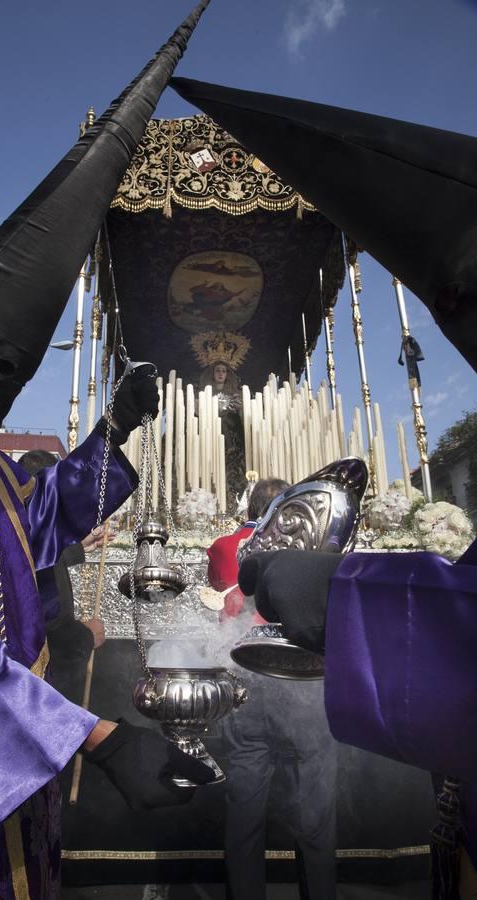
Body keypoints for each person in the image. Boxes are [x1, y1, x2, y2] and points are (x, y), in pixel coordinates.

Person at [0, 9, 215, 895]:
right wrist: (95, 739)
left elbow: (32, 527)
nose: (6, 390)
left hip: (14, 793)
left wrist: (115, 432)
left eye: (19, 374)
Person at [171, 76, 477, 891]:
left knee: (279, 802)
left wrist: (330, 591)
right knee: (310, 807)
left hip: (273, 682)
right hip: (281, 686)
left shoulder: (244, 543)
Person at [208, 479, 337, 900]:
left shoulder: (228, 545)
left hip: (247, 685)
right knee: (314, 808)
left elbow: (216, 586)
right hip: (303, 686)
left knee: (245, 810)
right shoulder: (320, 550)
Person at [18, 448, 110, 700]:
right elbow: (49, 634)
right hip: (37, 690)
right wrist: (86, 637)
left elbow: (47, 556)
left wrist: (81, 548)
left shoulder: (19, 529)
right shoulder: (28, 538)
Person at [199, 360, 246, 507]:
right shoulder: (204, 393)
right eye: (218, 370)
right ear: (213, 374)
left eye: (223, 371)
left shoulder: (236, 395)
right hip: (210, 432)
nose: (220, 373)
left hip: (232, 436)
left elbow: (242, 416)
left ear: (227, 375)